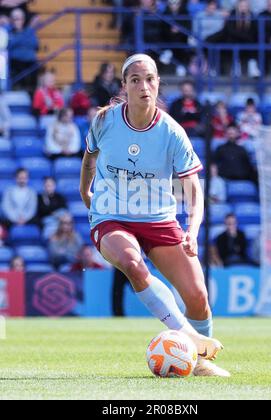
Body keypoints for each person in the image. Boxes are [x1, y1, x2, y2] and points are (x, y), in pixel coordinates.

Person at [80, 53, 230, 377]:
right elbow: (89, 157)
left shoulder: (172, 132)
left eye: (150, 79)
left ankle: (200, 363)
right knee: (132, 264)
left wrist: (192, 230)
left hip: (159, 219)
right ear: (125, 86)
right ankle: (189, 337)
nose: (143, 86)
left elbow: (194, 189)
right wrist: (85, 191)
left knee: (198, 296)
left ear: (158, 83)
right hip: (112, 215)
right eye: (135, 80)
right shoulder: (104, 121)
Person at [8, 8, 39, 91]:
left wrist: (18, 41)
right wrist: (23, 40)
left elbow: (35, 44)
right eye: (14, 19)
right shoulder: (8, 31)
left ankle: (32, 94)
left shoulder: (30, 31)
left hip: (30, 61)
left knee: (34, 68)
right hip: (15, 61)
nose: (16, 21)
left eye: (19, 19)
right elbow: (9, 45)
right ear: (11, 20)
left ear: (23, 20)